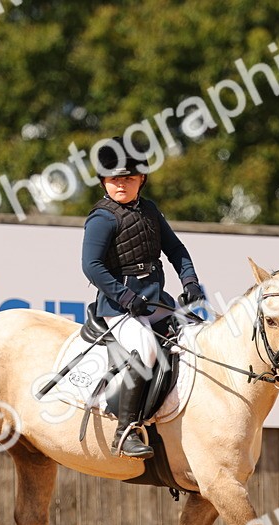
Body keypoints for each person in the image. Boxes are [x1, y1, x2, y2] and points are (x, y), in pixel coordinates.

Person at [81, 139, 206, 459]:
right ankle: (124, 431)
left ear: (141, 179)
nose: (120, 183)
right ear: (104, 182)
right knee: (147, 350)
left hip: (155, 300)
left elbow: (176, 250)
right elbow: (91, 266)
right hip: (118, 307)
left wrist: (190, 280)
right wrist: (124, 296)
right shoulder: (102, 218)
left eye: (128, 178)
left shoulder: (149, 210)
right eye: (113, 179)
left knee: (199, 335)